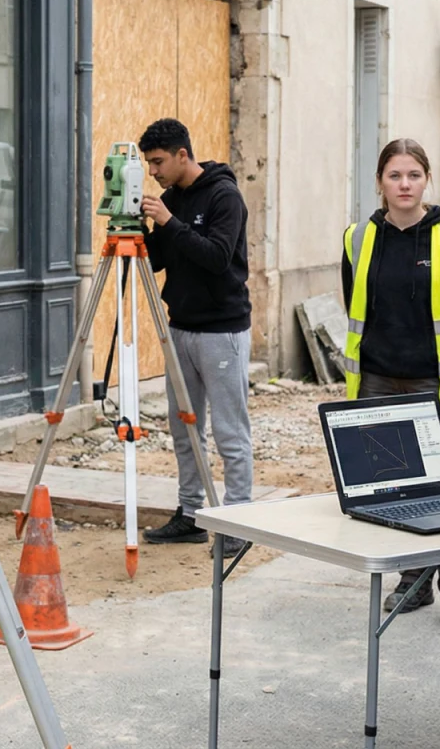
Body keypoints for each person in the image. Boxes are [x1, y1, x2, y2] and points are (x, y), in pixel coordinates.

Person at [340, 138, 440, 629]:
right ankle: (413, 581)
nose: (404, 185)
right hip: (377, 382)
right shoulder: (358, 238)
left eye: (414, 175)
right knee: (394, 490)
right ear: (379, 182)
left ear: (427, 180)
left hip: (434, 381)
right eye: (395, 176)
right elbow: (354, 303)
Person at [133, 118, 255, 555]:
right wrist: (139, 228)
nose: (153, 172)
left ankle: (239, 522)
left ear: (182, 154)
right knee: (185, 428)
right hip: (180, 327)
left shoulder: (225, 196)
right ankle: (190, 513)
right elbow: (159, 260)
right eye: (149, 164)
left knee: (229, 431)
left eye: (158, 162)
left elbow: (217, 258)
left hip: (221, 330)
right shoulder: (171, 200)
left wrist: (170, 222)